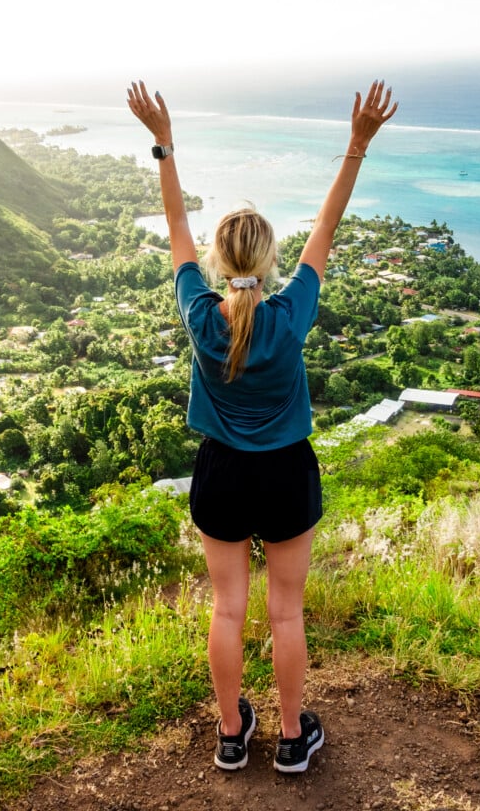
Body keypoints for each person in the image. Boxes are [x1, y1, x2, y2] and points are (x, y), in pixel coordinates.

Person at [126, 78, 397, 773]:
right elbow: (328, 227)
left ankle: (228, 733)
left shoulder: (197, 312)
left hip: (220, 471)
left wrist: (164, 144)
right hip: (285, 472)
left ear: (220, 261)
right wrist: (356, 146)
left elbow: (177, 227)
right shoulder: (290, 314)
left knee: (226, 610)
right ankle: (289, 739)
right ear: (271, 260)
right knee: (285, 614)